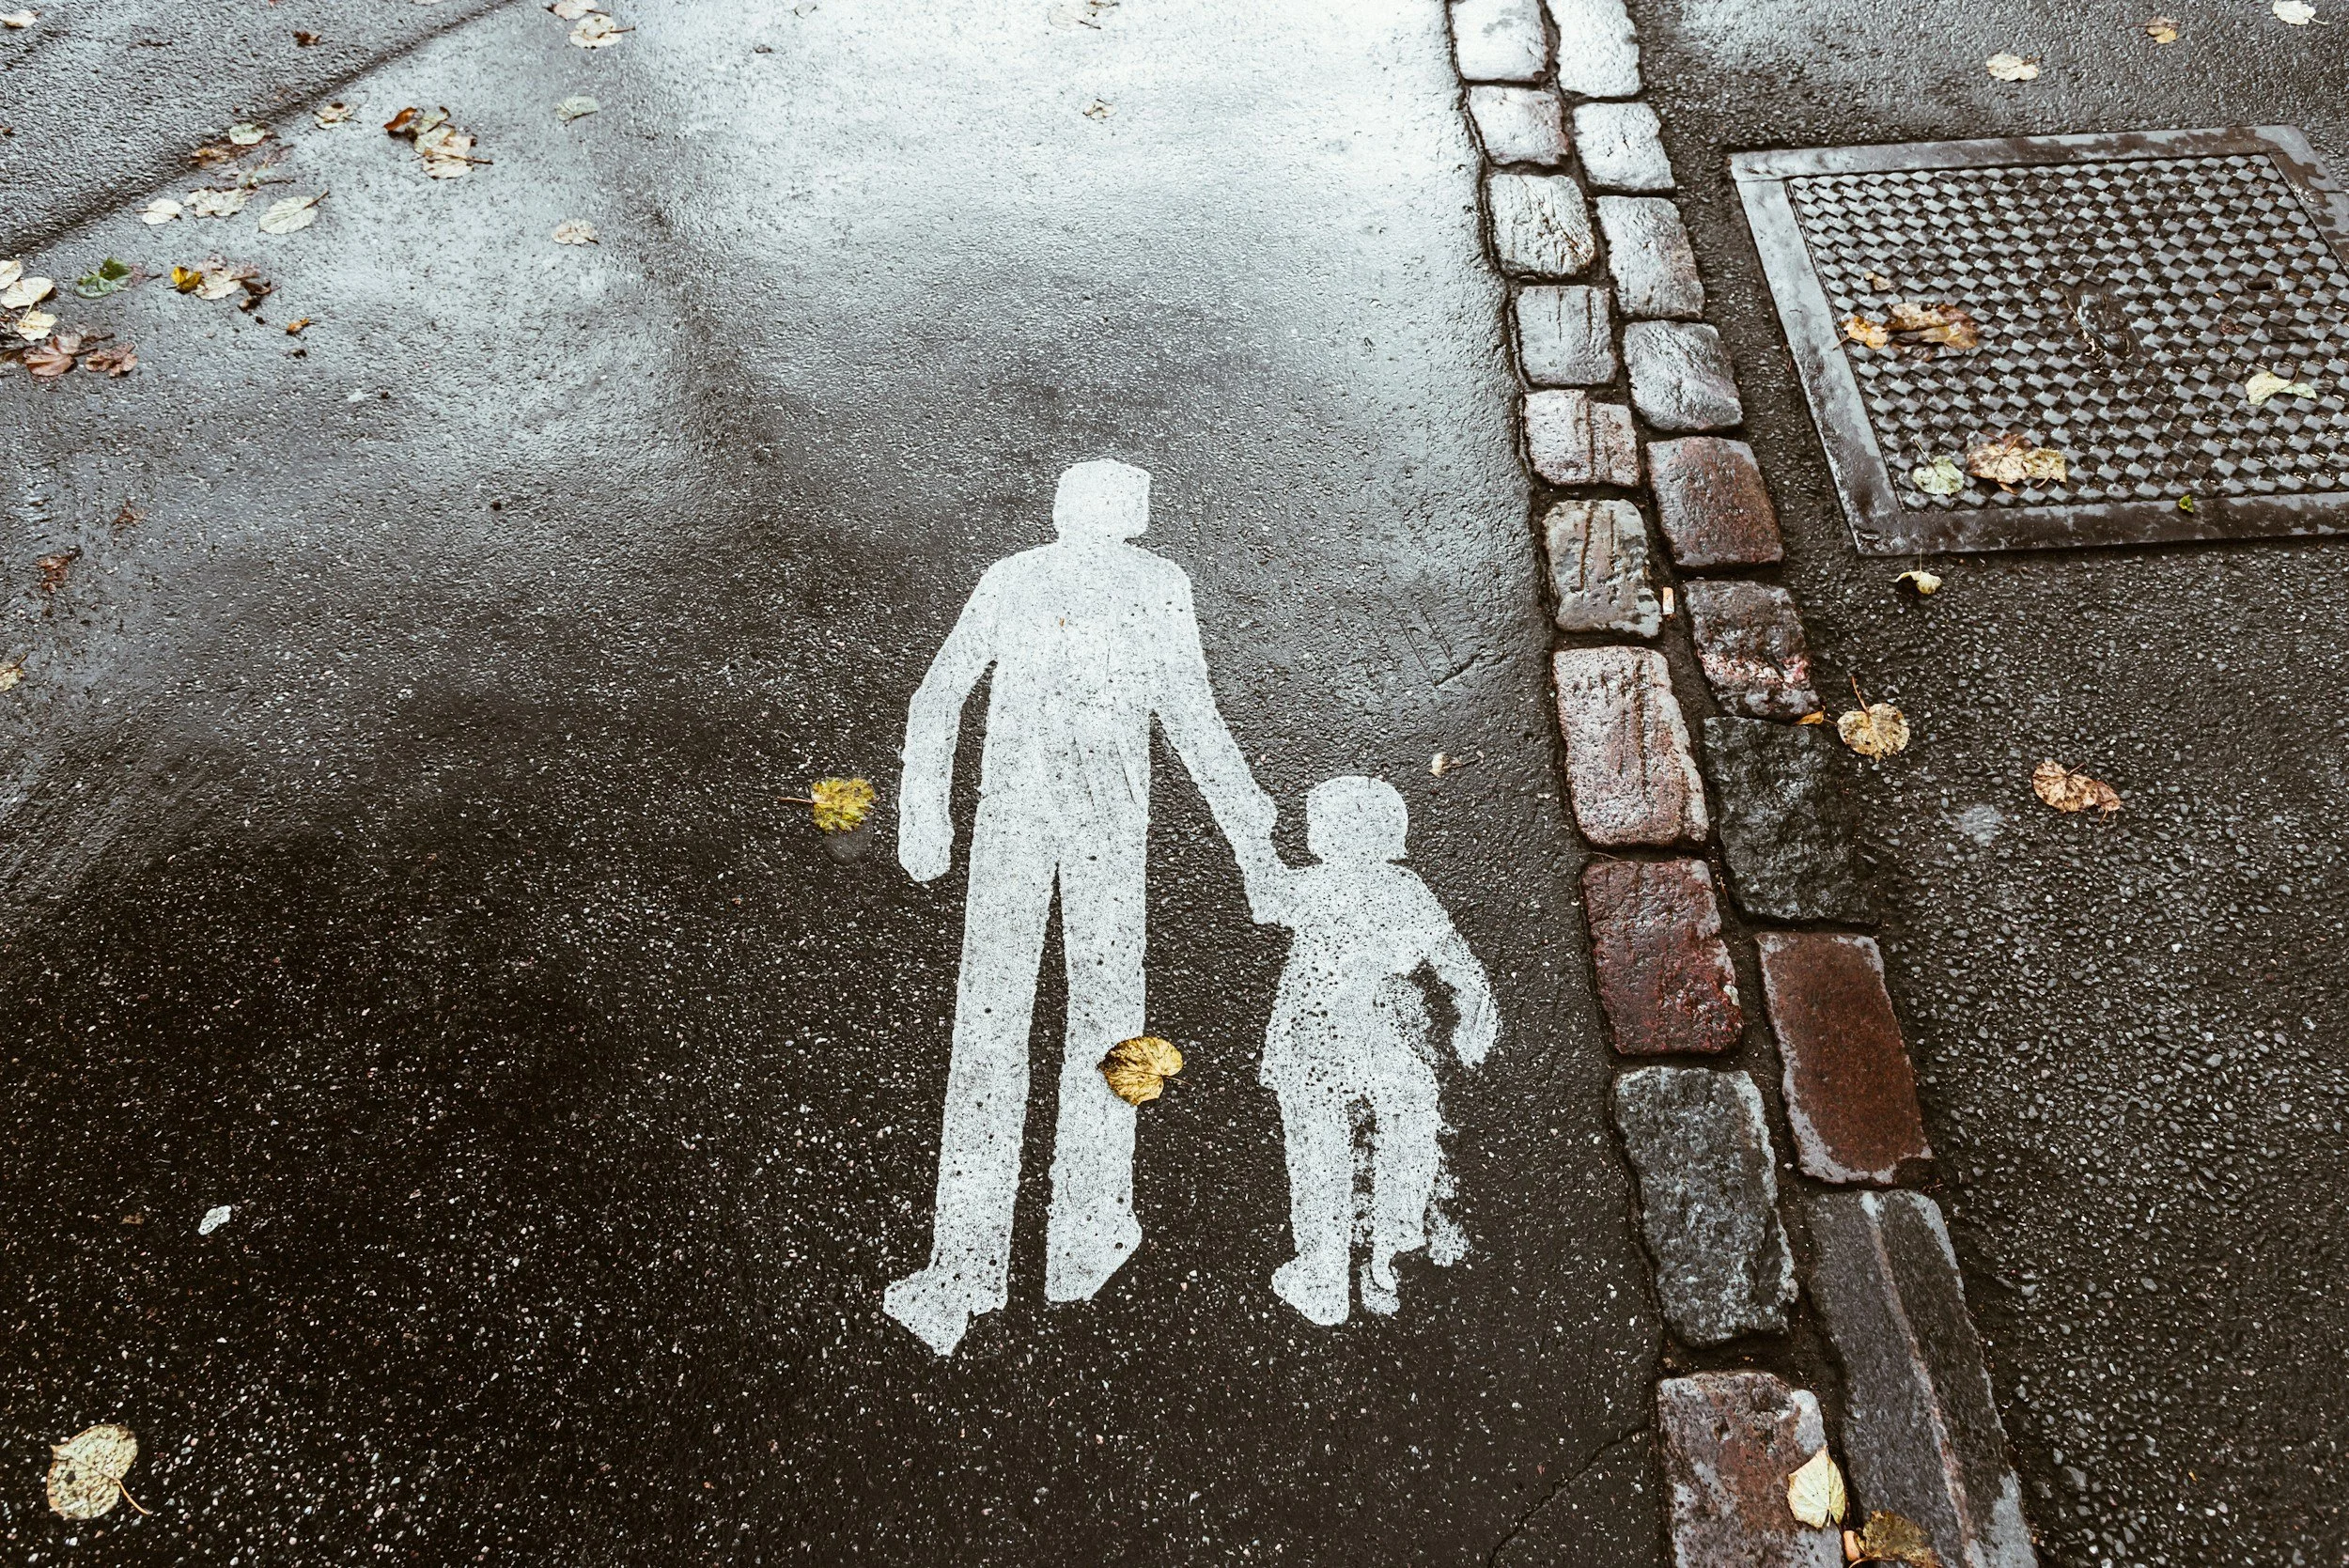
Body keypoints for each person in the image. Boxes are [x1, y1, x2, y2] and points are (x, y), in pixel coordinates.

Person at [885, 458, 1279, 1358]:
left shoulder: (1085, 580)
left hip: (1063, 826)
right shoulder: (1048, 581)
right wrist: (924, 814)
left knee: (1034, 1025)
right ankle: (1024, 1249)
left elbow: (1186, 712)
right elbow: (943, 694)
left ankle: (1039, 1244)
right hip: (1046, 825)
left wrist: (1251, 838)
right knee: (1052, 1022)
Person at [1254, 776, 1495, 1326]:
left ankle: (1323, 1274)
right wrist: (1474, 1014)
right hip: (1372, 1029)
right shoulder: (1406, 891)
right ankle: (1394, 1241)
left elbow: (1265, 899)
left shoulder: (1318, 886)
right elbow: (1452, 957)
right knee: (1410, 1109)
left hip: (1311, 1036)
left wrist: (1255, 842)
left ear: (1328, 837)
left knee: (1319, 1153)